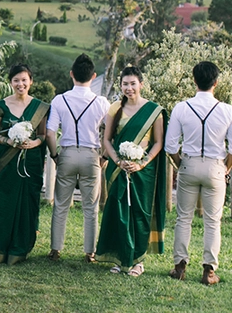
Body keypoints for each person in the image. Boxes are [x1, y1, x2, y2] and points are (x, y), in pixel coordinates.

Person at [164, 61, 232, 285]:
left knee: (184, 218)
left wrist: (180, 164)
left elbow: (171, 146)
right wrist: (226, 168)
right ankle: (209, 272)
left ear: (194, 81)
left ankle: (179, 267)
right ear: (216, 83)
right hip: (215, 166)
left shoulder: (182, 108)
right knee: (213, 221)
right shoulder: (227, 110)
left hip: (189, 164)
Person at [96, 67, 166, 277]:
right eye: (125, 84)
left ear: (141, 84)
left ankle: (138, 261)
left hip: (143, 172)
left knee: (139, 215)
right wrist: (117, 161)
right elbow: (107, 140)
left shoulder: (154, 111)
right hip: (118, 170)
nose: (129, 88)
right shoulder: (115, 108)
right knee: (118, 213)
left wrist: (141, 163)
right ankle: (119, 258)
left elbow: (158, 143)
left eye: (133, 83)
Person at [46, 54, 110, 263]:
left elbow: (50, 133)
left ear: (71, 74)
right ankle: (90, 252)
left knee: (61, 205)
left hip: (67, 153)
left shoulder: (60, 100)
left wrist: (55, 155)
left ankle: (55, 249)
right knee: (90, 208)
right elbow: (110, 133)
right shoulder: (101, 102)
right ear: (93, 76)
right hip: (91, 155)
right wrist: (104, 157)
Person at [0, 64, 49, 264]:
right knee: (3, 203)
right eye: (16, 80)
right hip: (7, 164)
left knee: (26, 205)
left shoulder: (40, 107)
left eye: (24, 80)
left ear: (31, 81)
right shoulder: (1, 105)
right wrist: (9, 141)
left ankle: (19, 249)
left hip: (30, 165)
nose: (20, 84)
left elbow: (43, 135)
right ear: (10, 82)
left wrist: (34, 143)